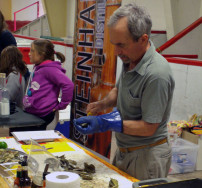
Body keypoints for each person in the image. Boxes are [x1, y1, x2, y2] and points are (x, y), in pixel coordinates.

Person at [74, 3, 175, 180]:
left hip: (147, 156)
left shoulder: (157, 74)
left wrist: (104, 123)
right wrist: (102, 104)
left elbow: (148, 128)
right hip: (125, 150)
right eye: (114, 44)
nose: (116, 51)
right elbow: (119, 89)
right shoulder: (131, 57)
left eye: (121, 45)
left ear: (143, 39)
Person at [23, 39, 74, 130]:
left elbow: (68, 85)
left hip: (44, 115)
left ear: (42, 54)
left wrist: (62, 105)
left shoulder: (49, 69)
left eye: (32, 50)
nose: (29, 53)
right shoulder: (39, 67)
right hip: (35, 113)